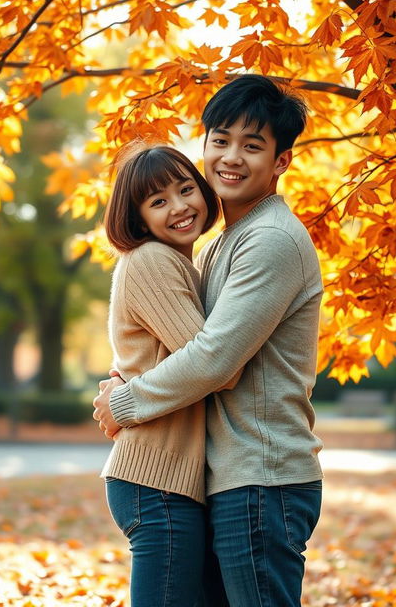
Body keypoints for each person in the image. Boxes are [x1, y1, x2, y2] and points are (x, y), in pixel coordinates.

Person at [94, 74, 324, 607]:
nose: (231, 157)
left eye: (253, 145)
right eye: (220, 140)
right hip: (232, 477)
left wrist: (124, 401)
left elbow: (214, 358)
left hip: (262, 476)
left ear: (281, 161)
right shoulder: (219, 245)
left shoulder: (268, 240)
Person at [99, 143, 240, 607]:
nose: (179, 207)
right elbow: (212, 362)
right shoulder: (152, 261)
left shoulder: (182, 264)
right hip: (155, 481)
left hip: (167, 480)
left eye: (186, 190)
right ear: (138, 219)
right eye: (158, 201)